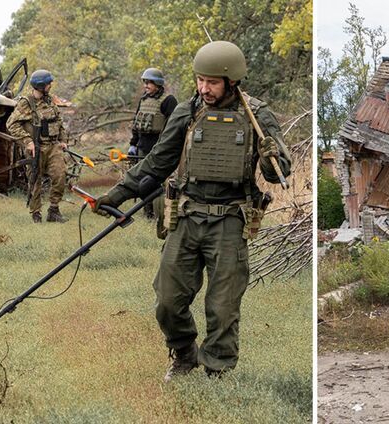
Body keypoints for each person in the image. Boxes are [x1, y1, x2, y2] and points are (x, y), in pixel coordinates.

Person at [94, 40, 291, 382]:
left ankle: (217, 371)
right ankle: (184, 353)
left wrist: (270, 154)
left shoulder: (257, 117)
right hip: (186, 216)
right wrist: (118, 194)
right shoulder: (187, 112)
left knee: (223, 306)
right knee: (167, 301)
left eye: (212, 82)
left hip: (231, 220)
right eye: (200, 80)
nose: (204, 88)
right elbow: (158, 162)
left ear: (232, 82)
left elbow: (279, 173)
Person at [6, 69, 69, 223]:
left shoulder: (50, 100)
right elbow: (11, 124)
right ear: (40, 85)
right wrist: (28, 141)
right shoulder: (26, 103)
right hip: (37, 148)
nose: (51, 85)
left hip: (53, 146)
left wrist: (63, 140)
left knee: (60, 175)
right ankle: (36, 214)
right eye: (49, 83)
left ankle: (54, 210)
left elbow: (59, 122)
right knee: (35, 180)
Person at [129, 68, 177, 218]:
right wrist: (133, 144)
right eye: (145, 82)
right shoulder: (144, 100)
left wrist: (168, 147)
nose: (146, 85)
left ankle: (163, 213)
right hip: (143, 147)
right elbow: (137, 124)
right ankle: (148, 212)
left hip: (159, 148)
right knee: (144, 181)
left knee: (161, 182)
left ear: (157, 83)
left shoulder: (168, 101)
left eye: (149, 82)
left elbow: (173, 126)